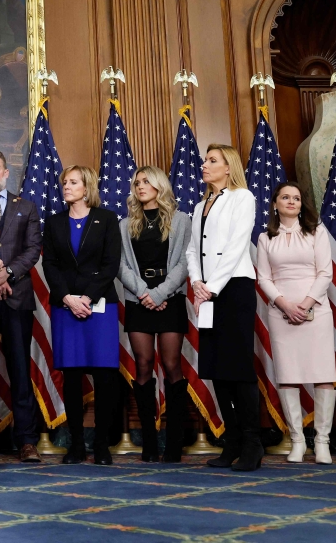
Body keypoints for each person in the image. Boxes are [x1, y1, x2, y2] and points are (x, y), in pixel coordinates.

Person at [186, 144, 260, 472]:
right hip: (208, 293)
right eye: (205, 159)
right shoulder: (201, 203)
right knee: (216, 368)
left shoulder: (242, 197)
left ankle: (251, 442)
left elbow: (236, 244)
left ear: (228, 167)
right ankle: (231, 441)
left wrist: (211, 286)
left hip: (234, 289)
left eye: (212, 160)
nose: (205, 164)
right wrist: (197, 284)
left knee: (239, 368)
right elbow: (191, 250)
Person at [42, 165, 121, 465]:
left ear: (87, 188)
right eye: (64, 182)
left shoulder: (107, 219)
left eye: (73, 182)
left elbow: (111, 264)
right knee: (72, 377)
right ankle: (76, 445)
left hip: (99, 306)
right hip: (65, 307)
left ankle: (101, 445)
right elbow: (50, 264)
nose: (66, 187)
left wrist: (87, 297)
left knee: (104, 376)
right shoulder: (54, 222)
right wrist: (67, 298)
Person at [257, 182, 336, 464]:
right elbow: (263, 278)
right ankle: (298, 441)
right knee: (287, 374)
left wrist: (304, 304)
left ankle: (323, 442)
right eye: (285, 197)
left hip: (316, 310)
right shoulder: (265, 237)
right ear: (275, 204)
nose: (292, 201)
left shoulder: (317, 231)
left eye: (297, 198)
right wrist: (285, 304)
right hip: (281, 312)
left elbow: (325, 273)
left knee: (323, 372)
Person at [118, 166, 191, 463]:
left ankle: (174, 443)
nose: (140, 186)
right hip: (139, 300)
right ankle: (149, 442)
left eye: (146, 181)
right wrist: (144, 294)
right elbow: (120, 265)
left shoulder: (181, 220)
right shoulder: (125, 224)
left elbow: (186, 263)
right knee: (144, 365)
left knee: (172, 366)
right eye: (137, 182)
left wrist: (160, 293)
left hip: (170, 298)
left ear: (160, 185)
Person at [0, 150, 42, 462]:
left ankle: (27, 441)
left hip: (17, 299)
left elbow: (32, 249)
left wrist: (8, 273)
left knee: (19, 370)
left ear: (6, 174)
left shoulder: (26, 207)